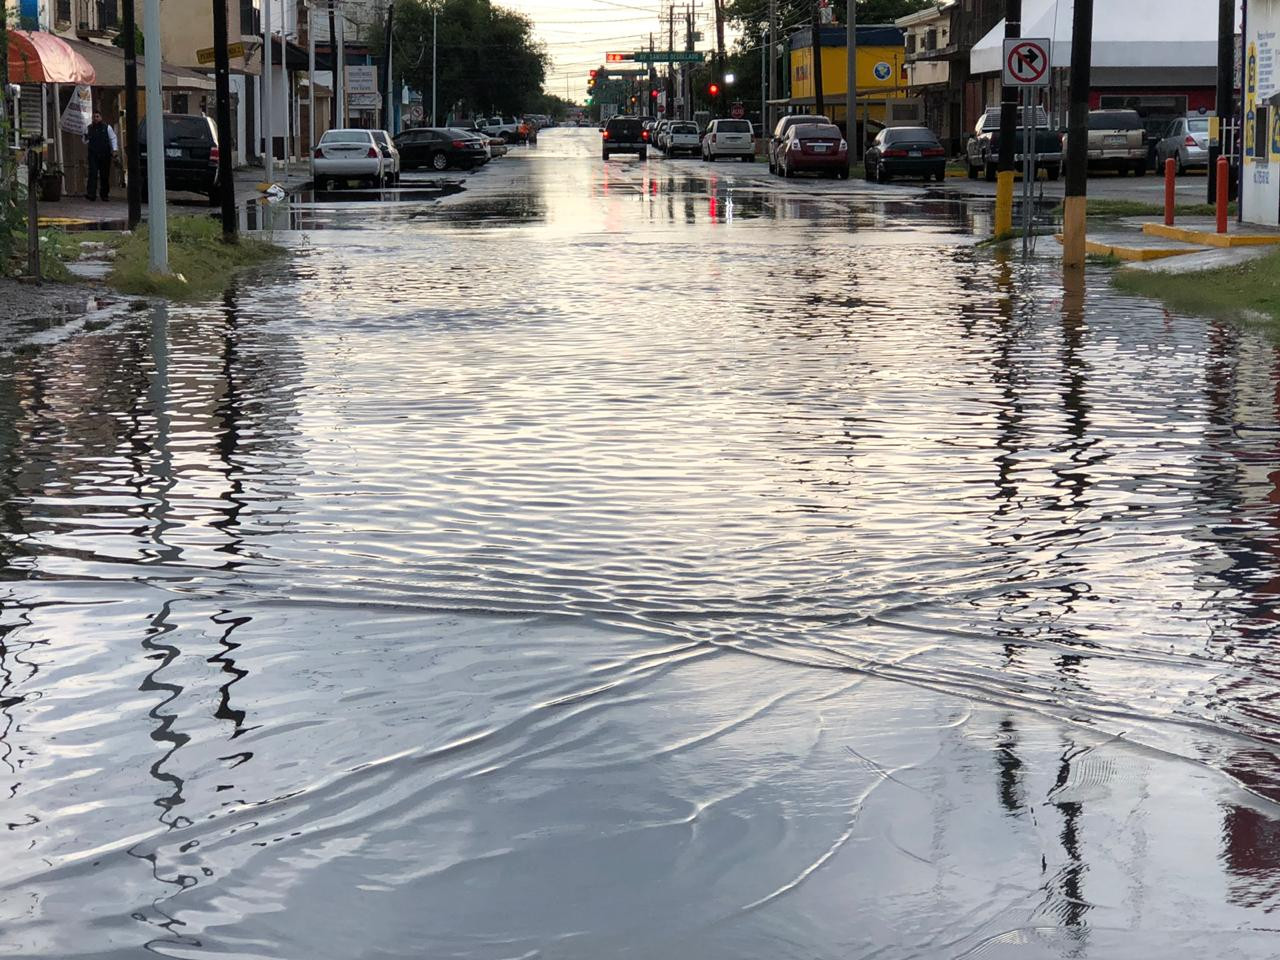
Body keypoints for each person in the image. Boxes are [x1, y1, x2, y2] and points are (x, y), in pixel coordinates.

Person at [83, 110, 118, 201]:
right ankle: (91, 194)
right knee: (92, 174)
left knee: (104, 175)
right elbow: (84, 141)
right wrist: (85, 136)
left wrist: (114, 150)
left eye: (97, 116)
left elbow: (113, 138)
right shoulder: (89, 128)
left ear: (101, 117)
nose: (95, 118)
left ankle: (104, 194)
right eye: (94, 117)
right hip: (93, 154)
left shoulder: (107, 127)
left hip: (105, 154)